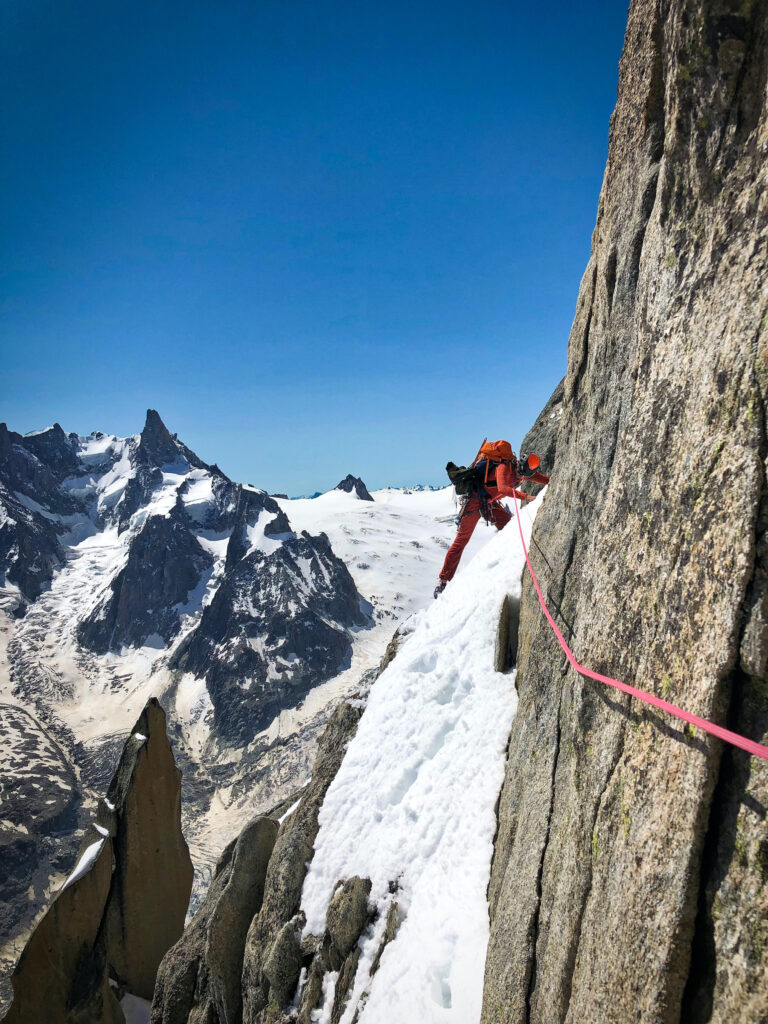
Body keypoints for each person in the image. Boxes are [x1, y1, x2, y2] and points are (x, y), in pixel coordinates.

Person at [434, 441, 549, 598]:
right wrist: (526, 497)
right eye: (520, 474)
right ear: (519, 465)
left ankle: (511, 564)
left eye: (523, 476)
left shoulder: (523, 472)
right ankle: (443, 580)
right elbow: (502, 488)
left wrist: (553, 480)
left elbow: (540, 478)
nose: (520, 477)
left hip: (488, 502)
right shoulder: (504, 467)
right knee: (462, 540)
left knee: (510, 527)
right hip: (474, 501)